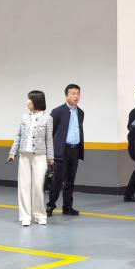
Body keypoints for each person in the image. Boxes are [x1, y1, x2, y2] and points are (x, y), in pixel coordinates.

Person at [8, 90, 54, 226]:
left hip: (40, 156)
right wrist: (12, 152)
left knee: (38, 186)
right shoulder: (24, 117)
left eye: (30, 99)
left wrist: (50, 157)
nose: (27, 101)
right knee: (23, 186)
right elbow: (18, 136)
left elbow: (49, 140)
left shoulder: (48, 118)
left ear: (36, 101)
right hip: (24, 155)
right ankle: (25, 216)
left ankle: (40, 215)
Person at [48, 84, 84, 217]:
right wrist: (50, 152)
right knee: (57, 181)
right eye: (73, 93)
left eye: (78, 93)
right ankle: (50, 206)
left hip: (74, 150)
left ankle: (67, 207)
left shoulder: (81, 112)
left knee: (70, 181)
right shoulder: (57, 111)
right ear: (66, 95)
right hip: (61, 151)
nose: (76, 96)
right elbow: (49, 133)